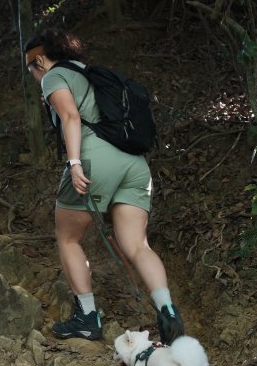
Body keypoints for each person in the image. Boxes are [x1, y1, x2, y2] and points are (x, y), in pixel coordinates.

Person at [24, 28, 184, 344]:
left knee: (67, 237)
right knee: (138, 245)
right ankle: (168, 311)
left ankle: (86, 318)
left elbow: (70, 117)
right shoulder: (87, 72)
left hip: (95, 158)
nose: (31, 73)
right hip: (133, 163)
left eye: (30, 67)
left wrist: (74, 163)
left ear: (39, 59)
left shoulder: (52, 77)